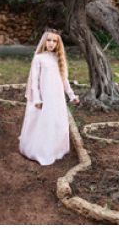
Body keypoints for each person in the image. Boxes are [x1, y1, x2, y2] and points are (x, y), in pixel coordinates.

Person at [19, 28, 80, 165]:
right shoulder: (39, 58)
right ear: (44, 41)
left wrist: (71, 95)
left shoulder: (59, 59)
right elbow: (34, 80)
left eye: (54, 41)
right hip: (44, 97)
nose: (51, 43)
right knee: (43, 123)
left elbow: (64, 80)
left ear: (58, 44)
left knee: (56, 122)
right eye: (49, 40)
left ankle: (55, 149)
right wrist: (37, 98)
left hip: (56, 97)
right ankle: (41, 151)